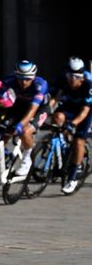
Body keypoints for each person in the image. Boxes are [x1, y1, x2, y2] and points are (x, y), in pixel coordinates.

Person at [0, 59, 49, 180]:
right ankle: (1, 159)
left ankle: (27, 160)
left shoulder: (40, 85)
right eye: (20, 79)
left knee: (25, 131)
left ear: (33, 77)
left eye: (27, 79)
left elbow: (32, 110)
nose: (23, 82)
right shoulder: (9, 80)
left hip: (39, 108)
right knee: (4, 131)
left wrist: (20, 125)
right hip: (20, 105)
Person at [48, 57, 92, 194]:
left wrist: (72, 124)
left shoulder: (88, 86)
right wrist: (44, 112)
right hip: (70, 106)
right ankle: (63, 149)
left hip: (86, 111)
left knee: (78, 141)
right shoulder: (61, 79)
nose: (72, 80)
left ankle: (72, 178)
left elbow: (84, 112)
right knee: (57, 117)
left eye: (77, 77)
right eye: (70, 76)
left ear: (82, 77)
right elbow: (53, 99)